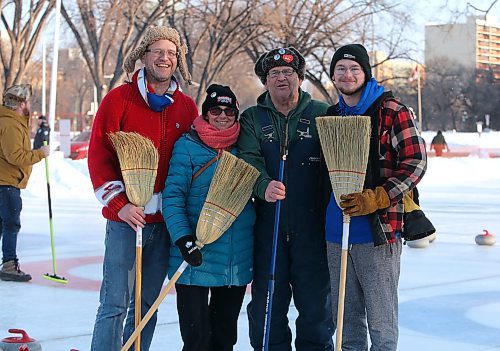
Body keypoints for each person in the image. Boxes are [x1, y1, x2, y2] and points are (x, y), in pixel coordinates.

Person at [87, 26, 198, 351]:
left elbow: (193, 159)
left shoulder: (186, 107)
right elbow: (99, 155)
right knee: (115, 302)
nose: (165, 58)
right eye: (158, 51)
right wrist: (120, 203)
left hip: (164, 224)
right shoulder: (119, 99)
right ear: (144, 55)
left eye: (171, 53)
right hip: (126, 220)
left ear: (177, 60)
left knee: (147, 304)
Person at [325, 44, 427, 351]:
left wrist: (380, 196)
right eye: (340, 68)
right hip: (335, 230)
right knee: (346, 323)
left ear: (365, 73)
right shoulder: (332, 115)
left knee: (382, 325)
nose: (347, 74)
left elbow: (416, 162)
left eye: (354, 68)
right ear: (332, 75)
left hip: (377, 230)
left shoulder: (392, 111)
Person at [238, 47, 334, 351]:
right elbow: (247, 160)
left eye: (288, 72)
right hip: (269, 228)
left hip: (313, 229)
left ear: (300, 78)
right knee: (267, 309)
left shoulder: (322, 113)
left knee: (316, 310)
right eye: (274, 73)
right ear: (265, 81)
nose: (282, 78)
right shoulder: (252, 118)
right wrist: (262, 184)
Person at [162, 84, 255, 351]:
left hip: (233, 258)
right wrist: (183, 239)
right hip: (194, 255)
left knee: (225, 339)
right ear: (206, 113)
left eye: (229, 110)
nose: (222, 115)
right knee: (196, 340)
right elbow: (173, 197)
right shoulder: (188, 147)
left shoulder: (246, 148)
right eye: (215, 110)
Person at [0, 84, 50, 282]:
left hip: (7, 182)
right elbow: (15, 156)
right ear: (20, 103)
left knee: (3, 224)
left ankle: (8, 263)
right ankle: (9, 265)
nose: (29, 104)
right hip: (7, 183)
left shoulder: (12, 121)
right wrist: (40, 153)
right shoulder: (10, 124)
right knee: (11, 224)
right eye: (27, 100)